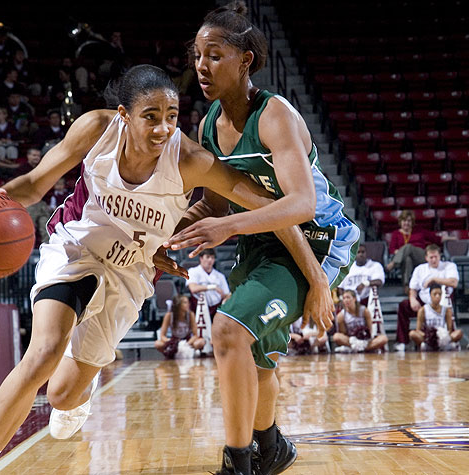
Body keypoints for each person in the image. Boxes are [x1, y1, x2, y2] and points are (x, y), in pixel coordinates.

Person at [0, 64, 331, 475]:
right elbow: (33, 184)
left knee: (62, 395)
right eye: (150, 116)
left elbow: (268, 203)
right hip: (76, 247)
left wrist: (314, 273)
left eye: (171, 117)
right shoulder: (96, 129)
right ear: (124, 115)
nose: (163, 128)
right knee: (43, 351)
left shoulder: (189, 158)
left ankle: (82, 385)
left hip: (130, 272)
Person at [164, 3, 360, 474]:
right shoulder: (210, 124)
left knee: (229, 329)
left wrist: (317, 279)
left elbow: (301, 205)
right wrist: (167, 233)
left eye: (214, 55)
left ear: (245, 60)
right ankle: (271, 447)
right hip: (264, 242)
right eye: (196, 56)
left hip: (318, 240)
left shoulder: (275, 115)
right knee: (257, 355)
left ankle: (239, 463)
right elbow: (215, 202)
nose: (202, 66)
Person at [394, 244, 459, 352]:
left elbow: (454, 282)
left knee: (447, 307)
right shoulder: (420, 269)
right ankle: (402, 342)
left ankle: (449, 340)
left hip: (442, 303)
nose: (433, 260)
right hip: (424, 303)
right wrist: (412, 299)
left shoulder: (449, 266)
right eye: (431, 257)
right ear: (426, 258)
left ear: (440, 256)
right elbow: (413, 288)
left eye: (436, 257)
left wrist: (434, 279)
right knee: (403, 305)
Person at [386, 209, 455, 291]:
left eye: (409, 221)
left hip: (421, 256)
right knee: (407, 259)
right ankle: (407, 286)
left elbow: (436, 238)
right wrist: (399, 252)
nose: (406, 223)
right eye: (404, 221)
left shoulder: (419, 231)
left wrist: (450, 238)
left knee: (408, 247)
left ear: (412, 222)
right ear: (400, 222)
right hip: (405, 258)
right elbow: (392, 249)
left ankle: (393, 264)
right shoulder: (396, 234)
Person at [410, 283, 463, 351]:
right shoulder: (423, 310)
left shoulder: (446, 310)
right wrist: (427, 335)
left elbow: (450, 330)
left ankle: (443, 345)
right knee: (412, 334)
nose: (437, 296)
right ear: (430, 295)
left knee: (459, 333)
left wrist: (443, 335)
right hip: (428, 337)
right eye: (435, 294)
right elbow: (418, 330)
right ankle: (428, 345)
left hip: (442, 337)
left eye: (439, 294)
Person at [154, 294, 206, 358]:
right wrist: (170, 342)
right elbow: (162, 335)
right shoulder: (169, 315)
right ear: (178, 305)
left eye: (188, 302)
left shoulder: (190, 314)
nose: (188, 304)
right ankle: (170, 353)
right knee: (158, 344)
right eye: (185, 302)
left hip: (187, 340)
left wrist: (186, 344)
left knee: (201, 342)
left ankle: (191, 352)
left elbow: (195, 335)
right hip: (174, 340)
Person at [186, 248, 231, 320]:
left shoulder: (220, 276)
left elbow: (226, 294)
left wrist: (225, 299)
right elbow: (193, 288)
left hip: (216, 309)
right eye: (207, 257)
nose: (210, 260)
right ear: (201, 258)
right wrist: (213, 287)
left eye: (212, 258)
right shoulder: (193, 271)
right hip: (198, 308)